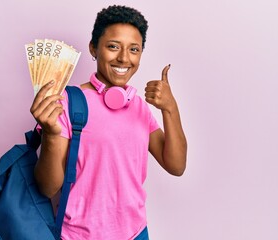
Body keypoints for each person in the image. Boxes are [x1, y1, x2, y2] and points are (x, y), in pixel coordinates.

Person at [30, 5, 187, 240]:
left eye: (134, 49)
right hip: (78, 236)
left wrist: (170, 109)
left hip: (136, 234)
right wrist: (51, 135)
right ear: (94, 48)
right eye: (113, 46)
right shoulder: (67, 102)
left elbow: (176, 166)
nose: (124, 58)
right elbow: (48, 188)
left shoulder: (138, 106)